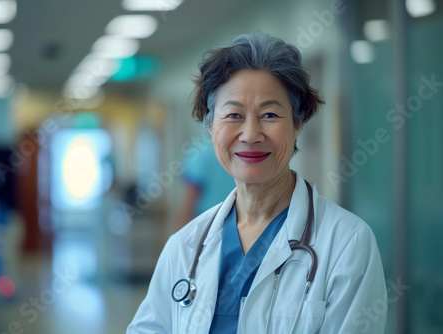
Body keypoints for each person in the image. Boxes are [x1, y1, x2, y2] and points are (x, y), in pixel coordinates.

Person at [128, 32, 387, 333]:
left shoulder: (346, 243)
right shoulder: (183, 247)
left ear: (297, 124)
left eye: (269, 114)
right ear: (210, 127)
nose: (251, 134)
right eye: (234, 114)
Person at [176, 137, 236, 230]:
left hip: (206, 224)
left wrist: (179, 237)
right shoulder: (241, 151)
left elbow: (188, 204)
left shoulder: (199, 152)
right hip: (238, 221)